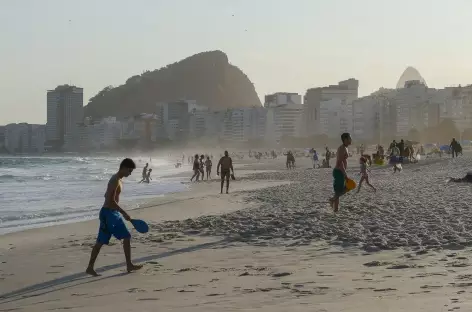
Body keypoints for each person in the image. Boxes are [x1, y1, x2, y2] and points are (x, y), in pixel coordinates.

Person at [86, 158, 142, 276]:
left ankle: (128, 265)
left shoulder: (118, 180)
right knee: (102, 241)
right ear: (124, 168)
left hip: (112, 213)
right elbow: (110, 200)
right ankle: (91, 267)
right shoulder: (115, 180)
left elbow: (106, 194)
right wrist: (124, 212)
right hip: (108, 213)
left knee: (124, 237)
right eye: (130, 171)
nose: (130, 173)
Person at [329, 133, 352, 212]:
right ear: (345, 139)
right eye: (349, 138)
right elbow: (340, 162)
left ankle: (335, 208)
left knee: (339, 191)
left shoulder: (345, 148)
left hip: (340, 172)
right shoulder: (342, 148)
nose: (351, 140)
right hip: (339, 172)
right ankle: (332, 200)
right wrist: (345, 174)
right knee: (346, 188)